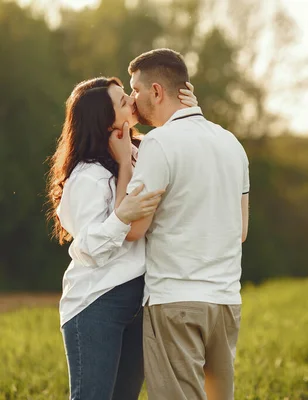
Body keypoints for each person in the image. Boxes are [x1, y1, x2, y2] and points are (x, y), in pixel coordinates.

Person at [46, 76, 197, 399]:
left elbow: (181, 149)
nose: (131, 99)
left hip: (139, 299)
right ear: (103, 119)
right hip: (97, 301)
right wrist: (122, 215)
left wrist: (189, 111)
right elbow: (89, 249)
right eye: (121, 100)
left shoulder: (140, 153)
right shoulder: (87, 176)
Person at [112, 48, 249, 400]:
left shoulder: (159, 143)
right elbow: (242, 230)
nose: (134, 99)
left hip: (176, 302)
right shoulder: (232, 143)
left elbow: (133, 228)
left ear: (156, 91)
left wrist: (125, 163)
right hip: (226, 303)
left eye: (136, 89)